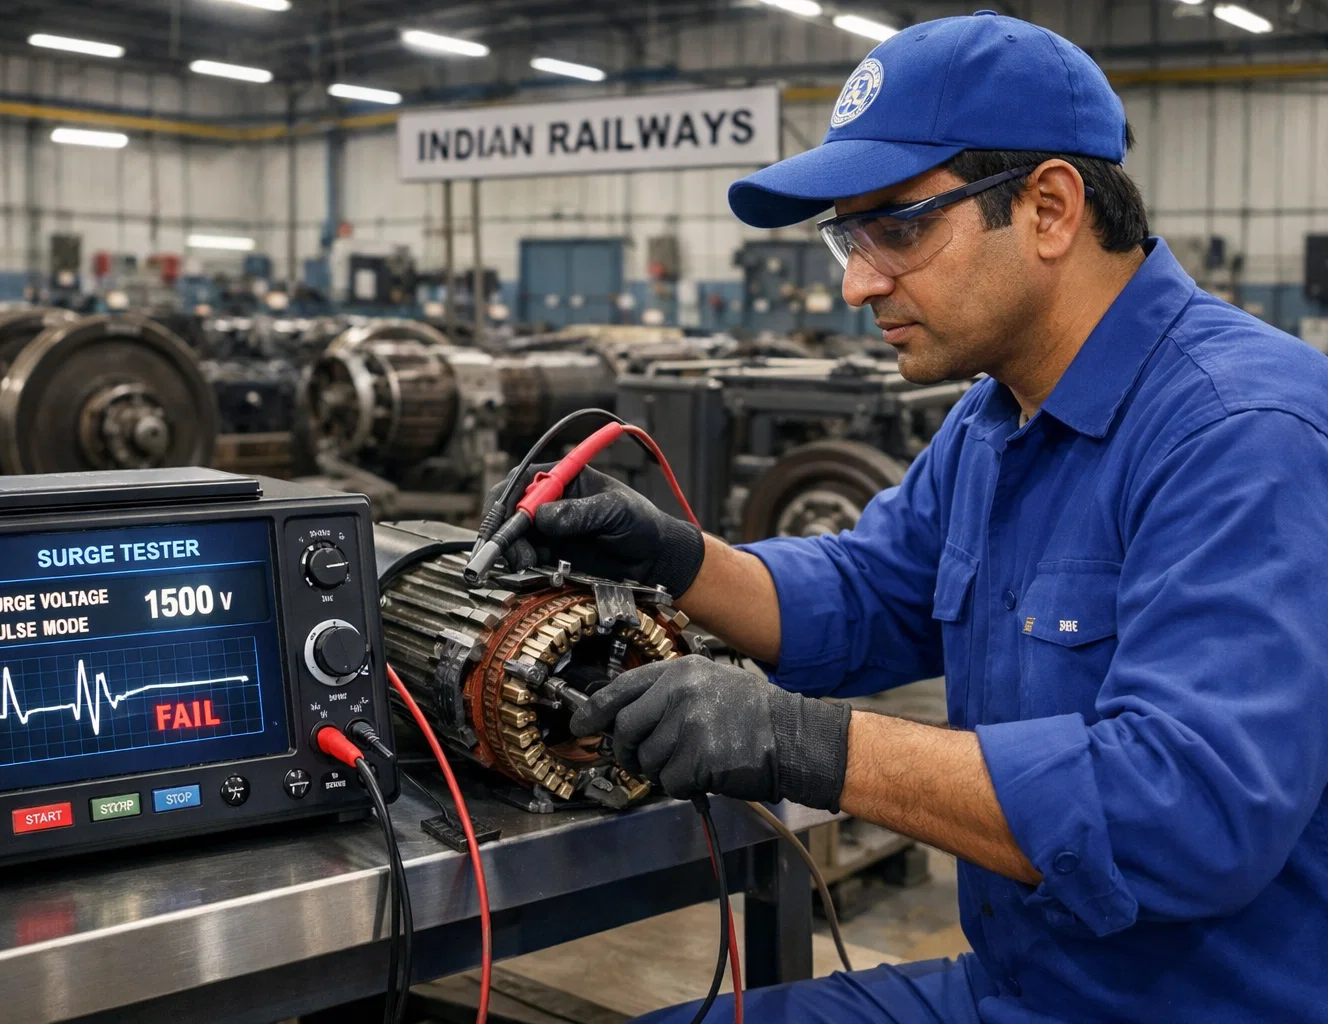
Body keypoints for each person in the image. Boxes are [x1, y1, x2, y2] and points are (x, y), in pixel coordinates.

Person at [482, 13, 1328, 1023]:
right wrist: (673, 553)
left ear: (1051, 208)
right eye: (850, 233)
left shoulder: (1242, 431)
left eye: (901, 225)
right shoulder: (1001, 416)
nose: (857, 280)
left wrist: (805, 742)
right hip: (1019, 983)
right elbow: (868, 591)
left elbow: (1190, 812)